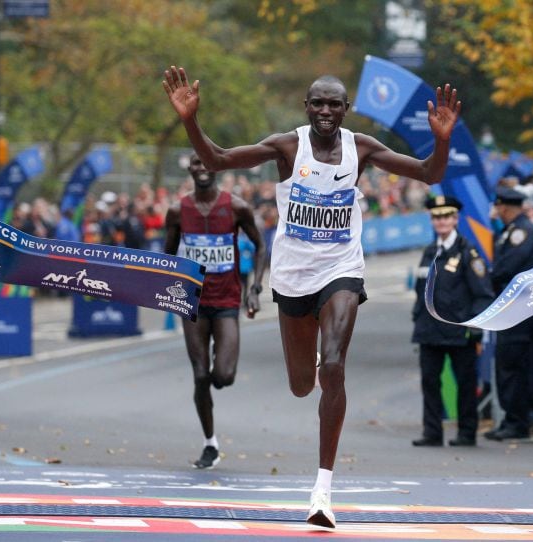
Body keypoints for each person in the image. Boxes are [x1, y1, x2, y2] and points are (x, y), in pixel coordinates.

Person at [163, 65, 460, 528]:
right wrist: (190, 121)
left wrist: (441, 140)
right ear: (307, 107)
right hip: (293, 275)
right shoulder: (288, 146)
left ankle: (322, 489)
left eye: (334, 104)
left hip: (341, 268)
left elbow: (429, 173)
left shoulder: (361, 148)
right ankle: (317, 368)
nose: (325, 110)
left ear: (346, 109)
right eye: (317, 103)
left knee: (336, 364)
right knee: (303, 383)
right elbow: (219, 159)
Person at [164, 154, 267, 470]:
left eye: (208, 163)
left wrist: (255, 289)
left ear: (218, 168)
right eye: (196, 164)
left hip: (226, 301)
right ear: (190, 169)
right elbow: (167, 256)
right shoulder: (177, 211)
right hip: (192, 301)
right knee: (199, 374)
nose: (203, 168)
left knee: (222, 376)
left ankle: (217, 368)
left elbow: (261, 247)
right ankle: (210, 443)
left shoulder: (236, 207)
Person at [411, 196, 494, 448]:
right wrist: (417, 319)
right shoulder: (429, 251)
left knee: (466, 384)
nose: (441, 221)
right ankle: (432, 432)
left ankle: (467, 433)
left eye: (446, 216)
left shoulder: (469, 252)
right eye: (436, 217)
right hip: (429, 330)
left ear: (455, 219)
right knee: (429, 382)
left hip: (460, 331)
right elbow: (420, 291)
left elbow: (482, 294)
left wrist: (476, 328)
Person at [485, 186, 533, 442]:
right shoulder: (510, 231)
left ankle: (517, 422)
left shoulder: (522, 232)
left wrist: (486, 278)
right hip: (511, 307)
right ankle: (511, 419)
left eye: (497, 207)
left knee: (514, 365)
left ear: (504, 207)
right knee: (507, 363)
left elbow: (506, 267)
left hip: (519, 308)